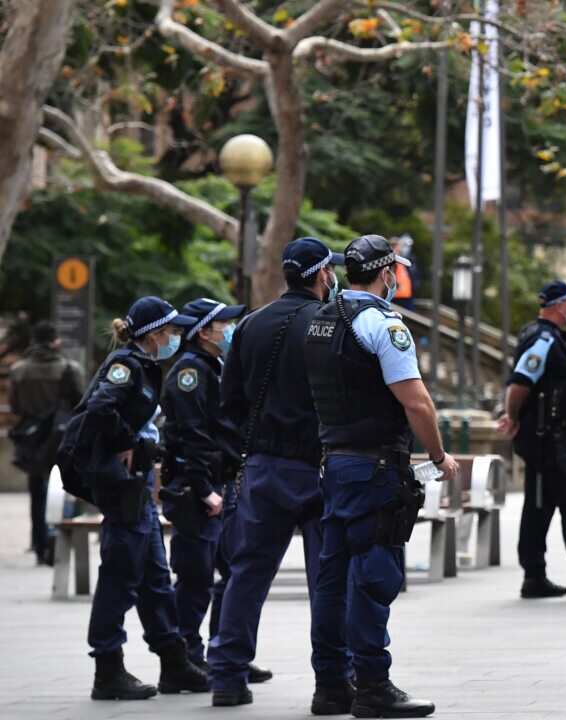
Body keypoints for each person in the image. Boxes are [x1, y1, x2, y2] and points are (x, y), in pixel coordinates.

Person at [303, 234, 460, 718]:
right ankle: (372, 684)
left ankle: (331, 683)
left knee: (332, 577)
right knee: (373, 572)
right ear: (385, 272)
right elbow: (416, 401)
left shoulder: (321, 322)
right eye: (396, 271)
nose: (398, 280)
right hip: (374, 468)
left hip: (334, 462)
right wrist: (437, 456)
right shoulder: (382, 323)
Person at [208, 238, 350, 712]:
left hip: (264, 466)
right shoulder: (332, 322)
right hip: (321, 464)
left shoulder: (250, 326)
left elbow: (227, 405)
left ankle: (227, 676)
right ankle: (332, 682)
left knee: (247, 573)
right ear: (321, 274)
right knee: (327, 579)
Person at [57, 297, 208, 700]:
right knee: (121, 573)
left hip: (135, 483)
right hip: (119, 482)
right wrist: (125, 441)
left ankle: (174, 661)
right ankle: (108, 669)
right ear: (155, 333)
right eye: (172, 331)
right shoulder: (127, 365)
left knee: (156, 577)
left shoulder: (144, 365)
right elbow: (100, 408)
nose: (176, 337)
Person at [159, 298, 271, 686]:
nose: (231, 330)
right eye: (225, 324)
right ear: (204, 331)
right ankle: (183, 660)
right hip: (196, 490)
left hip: (220, 483)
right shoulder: (190, 372)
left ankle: (226, 654)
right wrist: (205, 489)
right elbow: (192, 436)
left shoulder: (214, 367)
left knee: (232, 571)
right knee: (195, 576)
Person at [497, 280, 566, 600]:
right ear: (558, 305)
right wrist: (512, 416)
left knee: (538, 506)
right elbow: (520, 383)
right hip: (553, 440)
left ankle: (534, 575)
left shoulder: (543, 336)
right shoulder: (544, 340)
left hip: (545, 438)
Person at [9, 320, 83, 565]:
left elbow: (15, 406)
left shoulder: (19, 370)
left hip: (32, 438)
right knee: (64, 489)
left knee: (37, 492)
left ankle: (40, 545)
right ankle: (58, 541)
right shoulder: (68, 368)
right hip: (61, 436)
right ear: (54, 341)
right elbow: (79, 403)